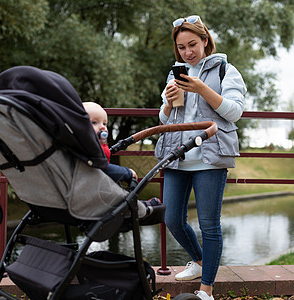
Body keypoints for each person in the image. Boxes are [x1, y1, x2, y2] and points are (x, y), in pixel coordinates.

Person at [154, 15, 246, 300]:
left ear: (205, 41)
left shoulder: (225, 71)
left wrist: (201, 89)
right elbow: (163, 117)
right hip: (178, 157)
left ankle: (206, 289)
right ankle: (200, 260)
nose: (188, 52)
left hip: (210, 157)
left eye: (192, 44)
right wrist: (168, 102)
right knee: (171, 218)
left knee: (209, 224)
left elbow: (234, 112)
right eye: (181, 47)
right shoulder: (175, 74)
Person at [83, 101, 162, 219]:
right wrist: (127, 172)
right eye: (94, 122)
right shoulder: (88, 149)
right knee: (119, 191)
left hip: (98, 188)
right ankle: (140, 208)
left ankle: (137, 205)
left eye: (104, 123)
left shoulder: (91, 147)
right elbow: (102, 168)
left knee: (117, 190)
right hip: (95, 193)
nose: (102, 127)